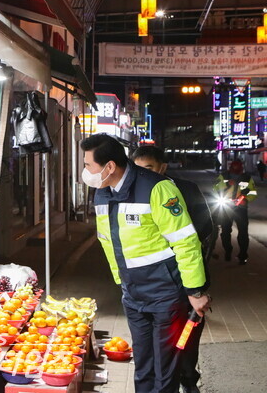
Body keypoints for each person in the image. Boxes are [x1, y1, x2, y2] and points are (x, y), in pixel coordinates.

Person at [81, 134, 210, 393]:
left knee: (166, 370)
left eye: (88, 165)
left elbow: (186, 242)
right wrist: (122, 282)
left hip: (166, 295)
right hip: (133, 295)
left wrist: (195, 291)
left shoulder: (157, 188)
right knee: (143, 365)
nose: (86, 171)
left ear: (109, 167)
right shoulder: (102, 195)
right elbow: (109, 242)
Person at [132, 145, 213, 393]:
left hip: (185, 278)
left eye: (149, 169)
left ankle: (188, 379)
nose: (143, 175)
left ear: (162, 168)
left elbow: (204, 228)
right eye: (138, 170)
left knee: (186, 336)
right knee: (155, 345)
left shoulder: (185, 190)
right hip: (153, 285)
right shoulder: (132, 193)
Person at [213, 159, 257, 264]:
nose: (236, 170)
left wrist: (246, 199)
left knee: (243, 233)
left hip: (241, 208)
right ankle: (228, 250)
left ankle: (243, 256)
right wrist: (227, 185)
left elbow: (253, 193)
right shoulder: (224, 176)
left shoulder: (247, 178)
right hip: (226, 207)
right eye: (234, 168)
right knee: (225, 232)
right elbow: (215, 189)